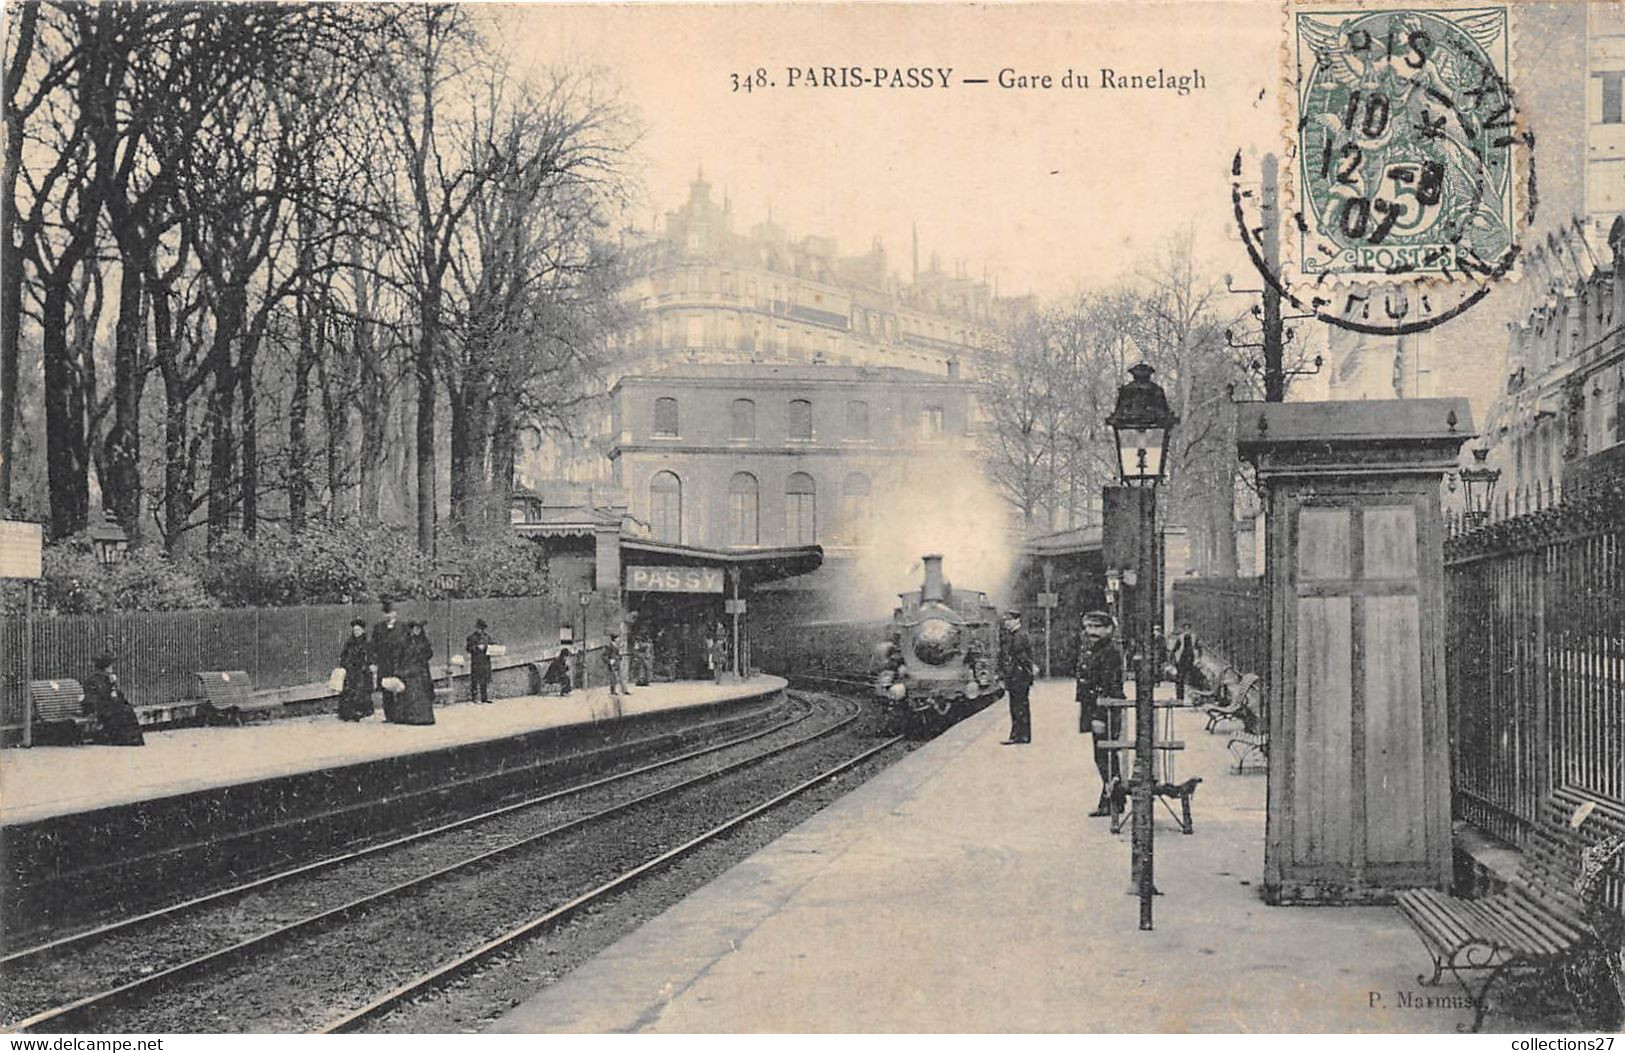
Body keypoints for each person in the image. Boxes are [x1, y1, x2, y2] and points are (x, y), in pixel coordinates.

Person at [1077, 610, 1126, 816]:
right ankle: (1115, 799)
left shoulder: (1110, 652)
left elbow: (1110, 686)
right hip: (1094, 709)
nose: (1091, 631)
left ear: (1109, 629)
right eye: (1088, 627)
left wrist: (1099, 716)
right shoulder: (1094, 649)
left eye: (1097, 627)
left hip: (1103, 711)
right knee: (1103, 756)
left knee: (1105, 757)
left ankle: (1111, 801)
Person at [83, 652, 144, 746]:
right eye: (110, 666)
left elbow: (115, 694)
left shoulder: (106, 677)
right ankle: (124, 739)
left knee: (127, 710)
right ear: (105, 666)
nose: (111, 668)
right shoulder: (94, 678)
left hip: (106, 706)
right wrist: (111, 685)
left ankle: (132, 739)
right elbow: (101, 694)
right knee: (121, 712)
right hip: (98, 707)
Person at [998, 610, 1036, 745]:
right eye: (1005, 620)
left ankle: (1021, 736)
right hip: (1017, 677)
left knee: (1019, 707)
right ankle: (1019, 735)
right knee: (1017, 706)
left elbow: (1022, 658)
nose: (1006, 622)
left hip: (1019, 677)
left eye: (1009, 620)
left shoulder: (1019, 636)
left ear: (1016, 620)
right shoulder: (1015, 635)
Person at [393, 620, 436, 725]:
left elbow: (429, 653)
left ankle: (423, 718)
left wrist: (423, 657)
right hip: (408, 672)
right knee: (408, 695)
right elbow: (398, 656)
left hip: (421, 672)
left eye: (419, 629)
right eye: (415, 629)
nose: (417, 631)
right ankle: (407, 717)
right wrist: (398, 670)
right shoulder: (404, 641)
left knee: (422, 695)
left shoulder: (424, 641)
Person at [371, 601, 405, 723]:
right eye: (386, 613)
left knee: (400, 687)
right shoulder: (378, 628)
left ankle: (400, 715)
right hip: (384, 662)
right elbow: (374, 646)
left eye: (390, 613)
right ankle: (389, 716)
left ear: (395, 613)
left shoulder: (402, 627)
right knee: (386, 689)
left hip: (398, 662)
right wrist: (374, 662)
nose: (388, 615)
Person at [337, 618, 374, 721]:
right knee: (349, 691)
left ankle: (361, 711)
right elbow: (343, 655)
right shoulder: (349, 643)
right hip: (351, 671)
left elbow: (370, 656)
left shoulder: (366, 643)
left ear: (363, 631)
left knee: (361, 691)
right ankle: (348, 713)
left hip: (362, 671)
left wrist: (368, 665)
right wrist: (345, 665)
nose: (356, 632)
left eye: (358, 630)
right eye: (355, 630)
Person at [466, 618, 494, 704]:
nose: (480, 630)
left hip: (485, 661)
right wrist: (476, 648)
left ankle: (484, 697)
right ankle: (474, 697)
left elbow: (491, 645)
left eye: (481, 629)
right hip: (476, 661)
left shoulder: (487, 637)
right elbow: (468, 648)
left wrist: (488, 647)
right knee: (475, 679)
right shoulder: (471, 637)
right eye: (478, 628)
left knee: (484, 679)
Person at [1172, 628, 1200, 703]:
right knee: (1180, 679)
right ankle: (1180, 698)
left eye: (1188, 628)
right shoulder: (1181, 638)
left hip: (1191, 659)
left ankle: (1194, 698)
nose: (1187, 630)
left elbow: (1198, 648)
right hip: (1183, 659)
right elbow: (1174, 649)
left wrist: (1197, 659)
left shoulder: (1194, 638)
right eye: (1186, 629)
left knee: (1192, 680)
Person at [603, 632, 626, 696]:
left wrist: (620, 657)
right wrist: (609, 661)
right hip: (612, 664)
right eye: (618, 638)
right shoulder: (609, 646)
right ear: (615, 639)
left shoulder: (616, 646)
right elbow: (604, 656)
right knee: (613, 677)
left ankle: (623, 690)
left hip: (617, 663)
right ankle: (613, 691)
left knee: (620, 676)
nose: (619, 640)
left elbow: (617, 654)